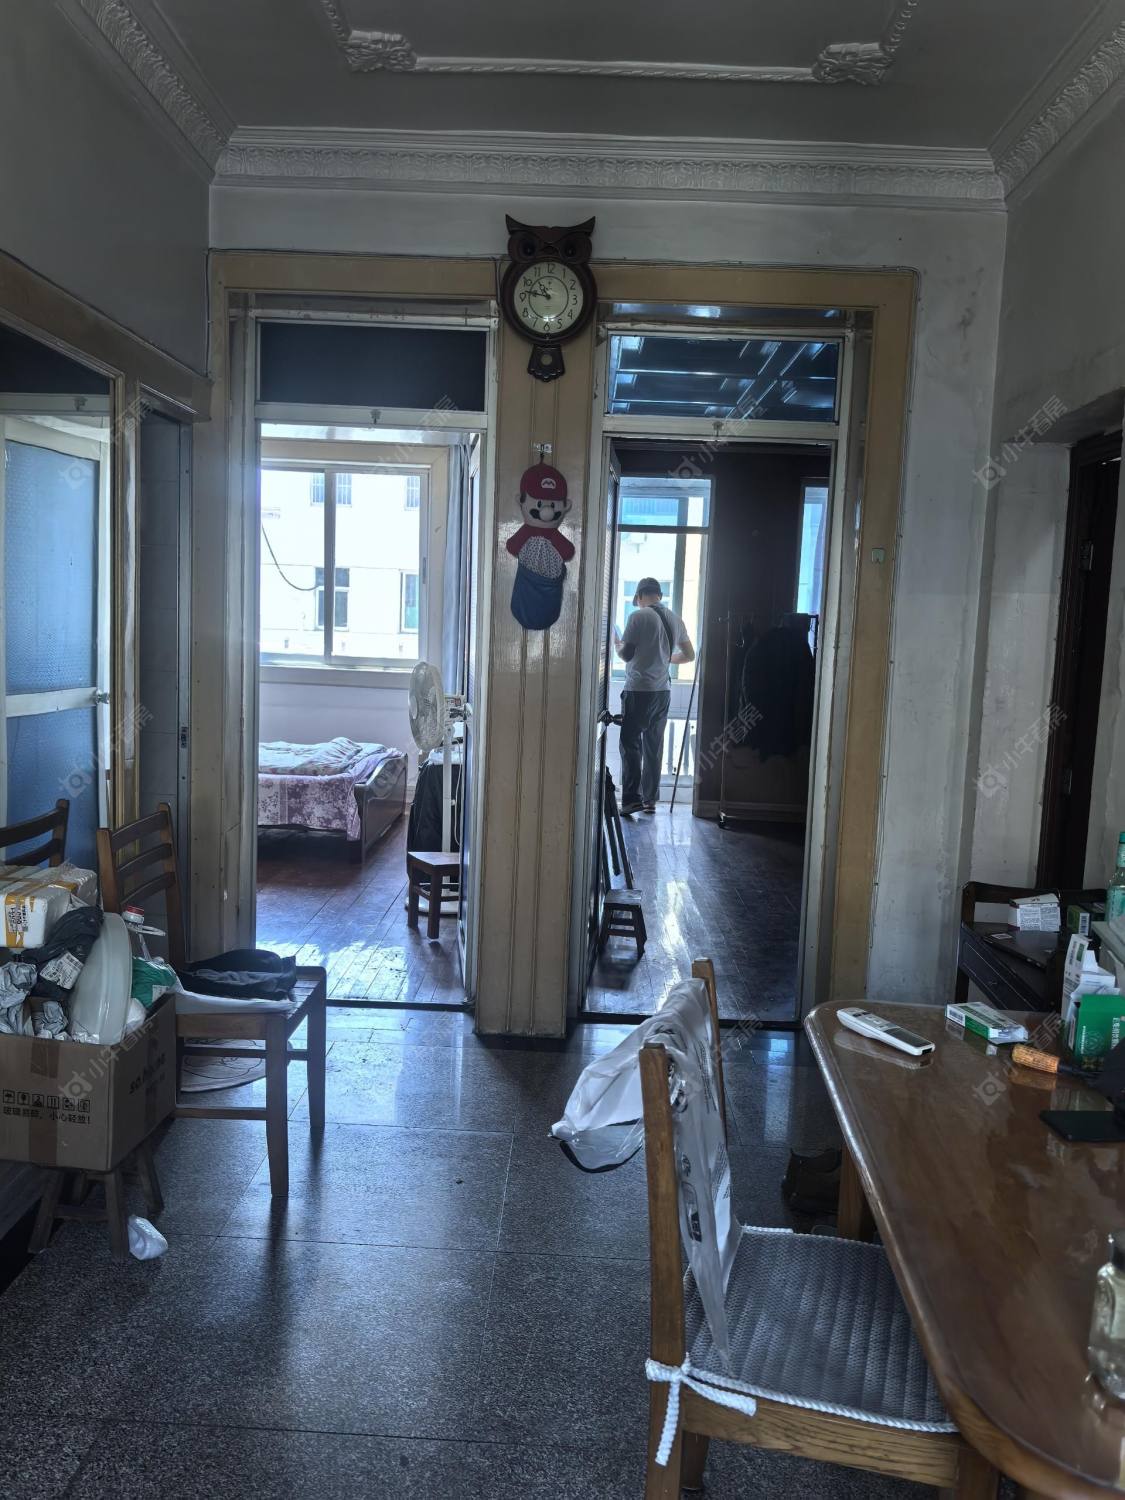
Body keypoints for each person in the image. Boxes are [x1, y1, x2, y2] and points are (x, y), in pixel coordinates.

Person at [613, 577, 695, 815]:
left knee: (630, 743)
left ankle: (631, 800)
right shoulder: (675, 619)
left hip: (639, 690)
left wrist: (618, 645)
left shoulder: (637, 617)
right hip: (663, 692)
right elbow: (689, 655)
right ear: (659, 595)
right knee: (654, 746)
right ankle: (650, 800)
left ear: (639, 597)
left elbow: (626, 655)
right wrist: (665, 658)